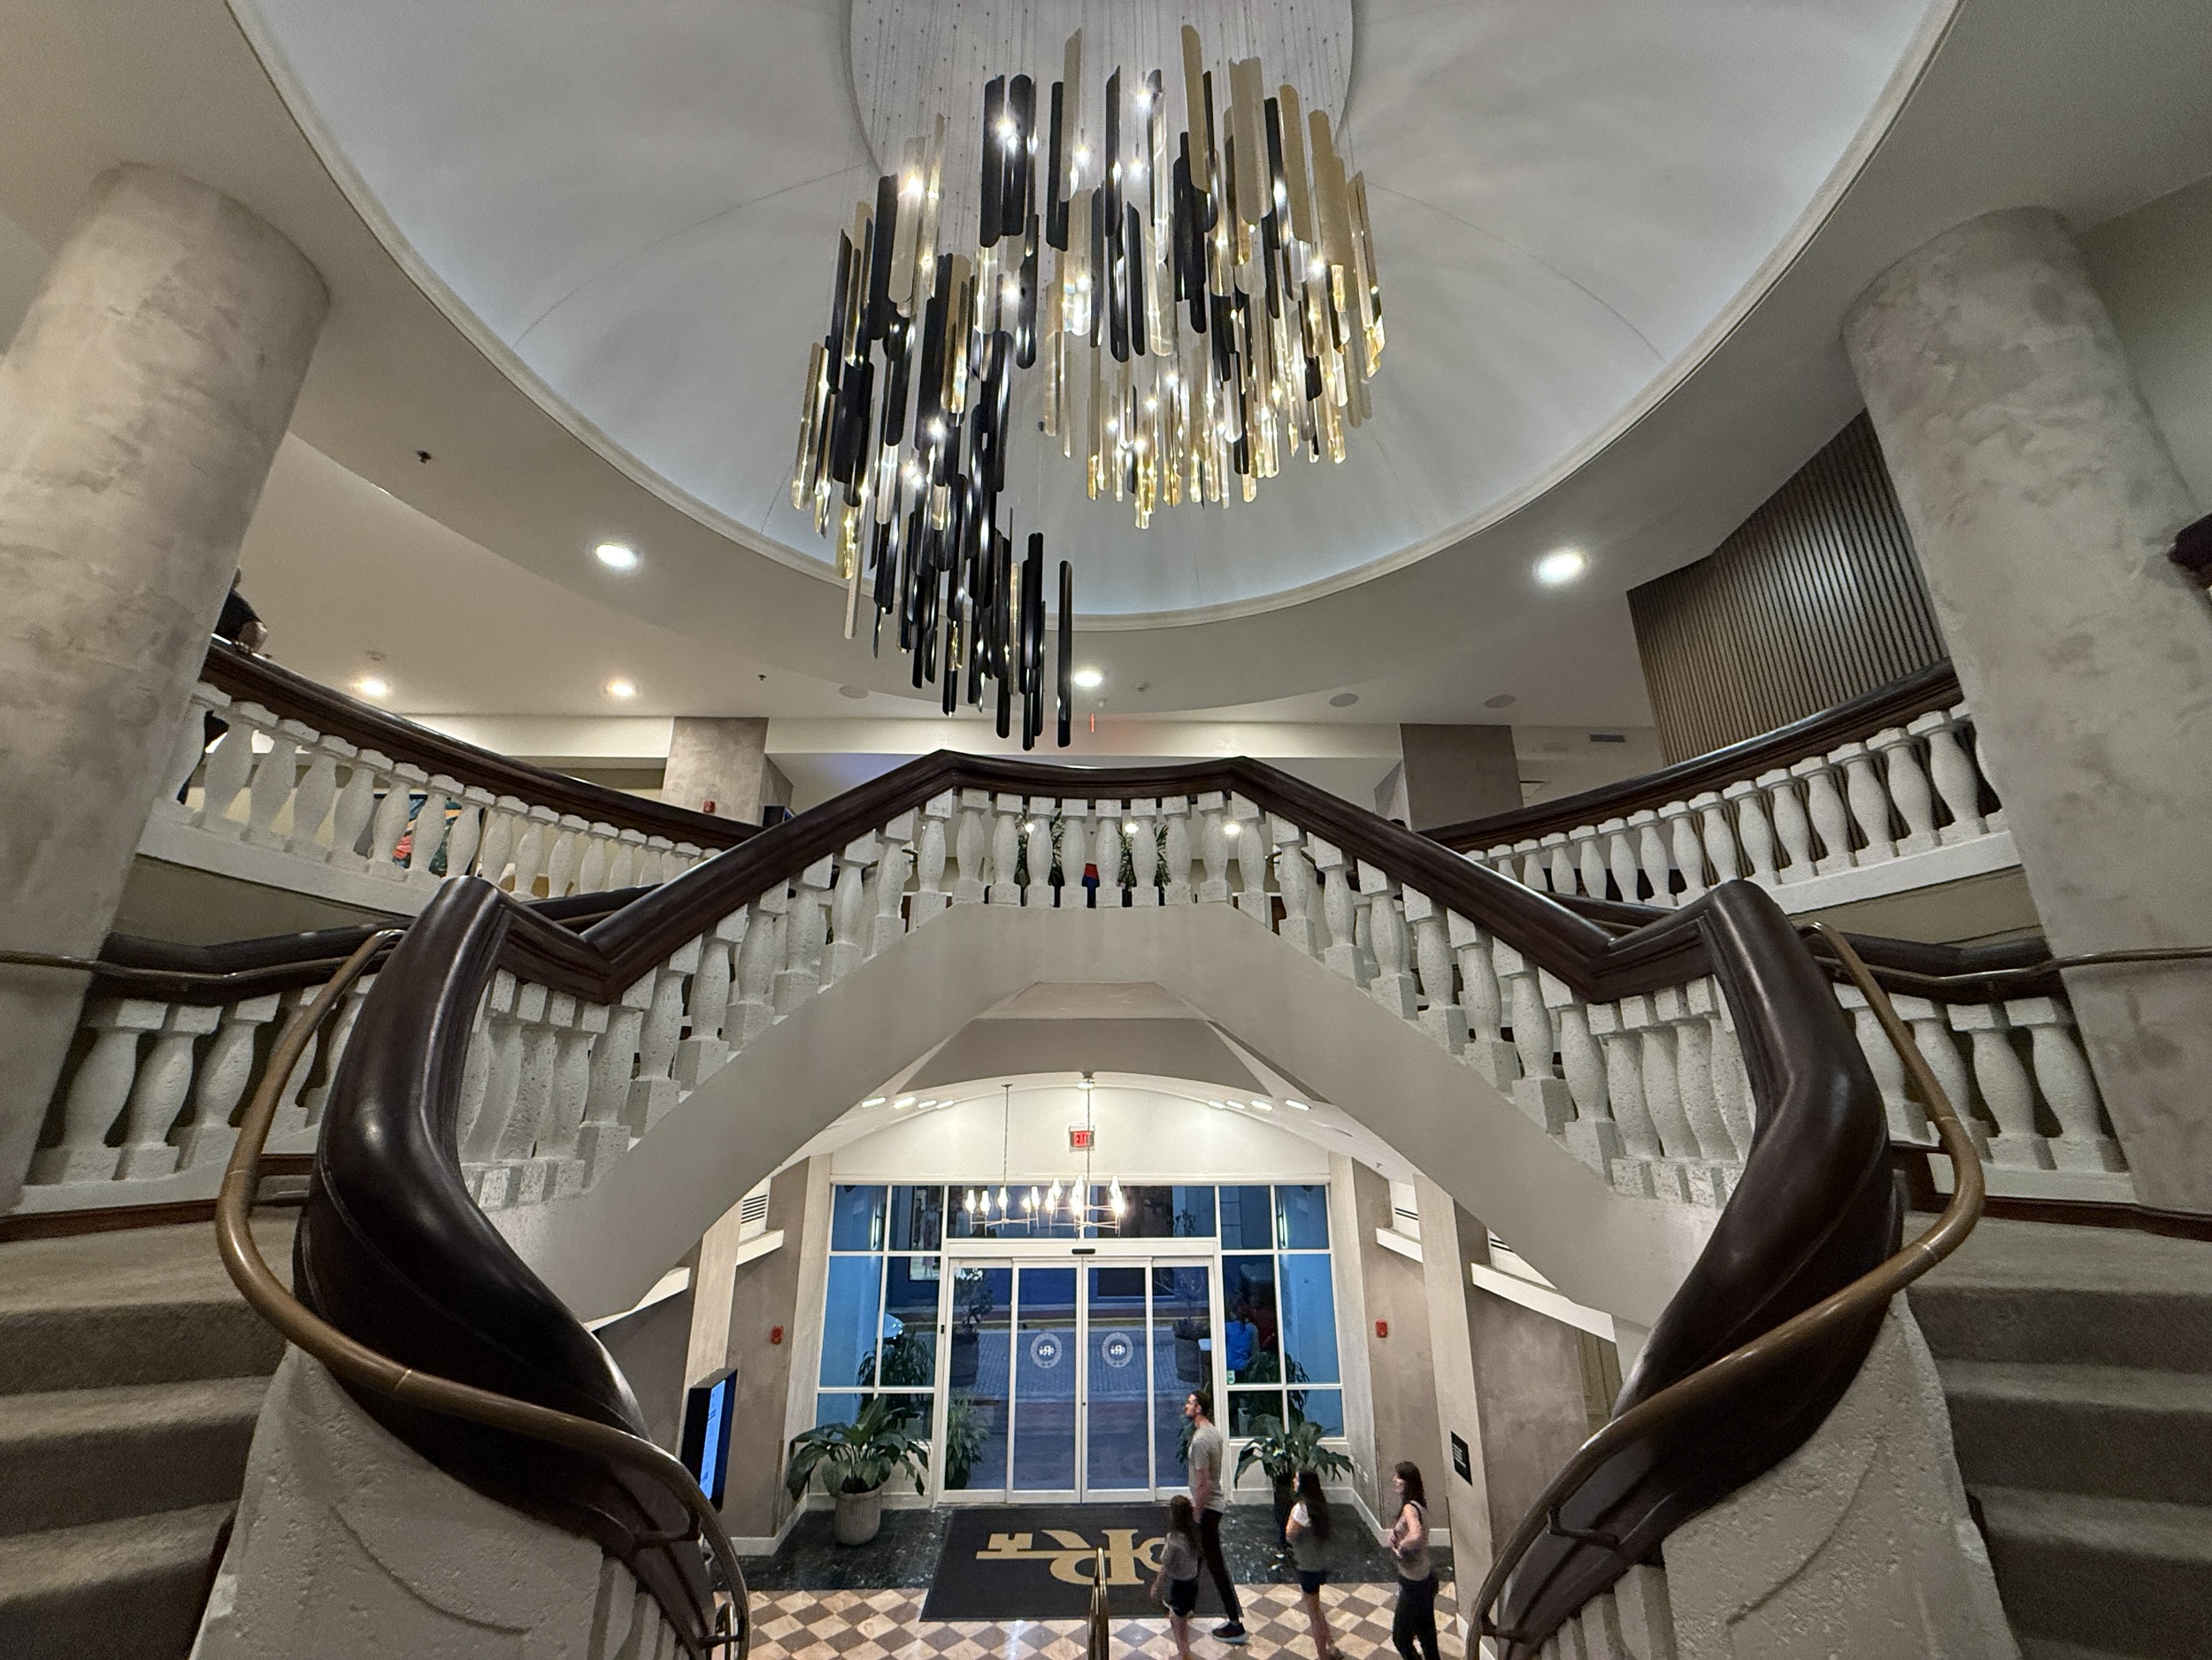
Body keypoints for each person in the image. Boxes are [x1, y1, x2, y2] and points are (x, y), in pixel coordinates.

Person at [1183, 1389, 1247, 1644]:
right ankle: (1184, 1603)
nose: (1186, 1406)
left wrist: (1196, 1514)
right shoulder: (1214, 1433)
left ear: (1199, 1408)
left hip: (1207, 1508)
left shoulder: (1200, 1441)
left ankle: (1234, 1622)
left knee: (1215, 1563)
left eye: (1190, 1403)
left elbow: (1203, 1483)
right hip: (1213, 1506)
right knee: (1196, 1557)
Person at [1285, 1468, 1342, 1660]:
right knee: (1316, 1605)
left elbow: (1289, 1534)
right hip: (1320, 1563)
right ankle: (1331, 1644)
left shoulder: (1301, 1509)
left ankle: (1323, 1654)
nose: (1293, 1481)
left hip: (1306, 1565)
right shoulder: (1320, 1505)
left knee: (1313, 1613)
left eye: (1296, 1478)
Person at [1387, 1462, 1440, 1660]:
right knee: (1427, 1634)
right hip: (1425, 1578)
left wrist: (1402, 1547)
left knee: (1401, 1637)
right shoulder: (1418, 1505)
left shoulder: (1410, 1508)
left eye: (1399, 1477)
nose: (1395, 1480)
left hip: (1414, 1581)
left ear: (1407, 1483)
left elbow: (1416, 1534)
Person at [1150, 1495, 1202, 1660]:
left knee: (1176, 1619)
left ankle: (1184, 1653)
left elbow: (1166, 1566)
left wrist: (1157, 1587)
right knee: (1182, 1615)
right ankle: (1184, 1650)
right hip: (1193, 1582)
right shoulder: (1194, 1533)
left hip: (1181, 1584)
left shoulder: (1174, 1540)